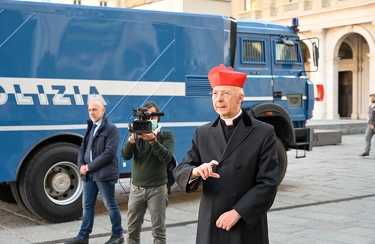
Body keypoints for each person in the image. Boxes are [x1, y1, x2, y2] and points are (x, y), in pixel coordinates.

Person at [173, 64, 279, 244]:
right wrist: (196, 172)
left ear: (240, 98)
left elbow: (268, 182)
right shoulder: (203, 132)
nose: (219, 99)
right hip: (212, 220)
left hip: (245, 221)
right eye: (215, 93)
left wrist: (238, 212)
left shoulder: (263, 132)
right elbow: (181, 169)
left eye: (225, 93)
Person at [65, 99, 124, 244]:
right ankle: (83, 237)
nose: (92, 112)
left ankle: (118, 235)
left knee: (110, 205)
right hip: (89, 174)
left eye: (95, 109)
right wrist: (81, 165)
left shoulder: (111, 129)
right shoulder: (90, 127)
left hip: (103, 174)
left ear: (103, 111)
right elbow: (82, 149)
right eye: (90, 110)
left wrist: (89, 167)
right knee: (87, 205)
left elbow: (109, 153)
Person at [121, 101, 175, 244]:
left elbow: (167, 157)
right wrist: (132, 139)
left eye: (153, 117)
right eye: (147, 117)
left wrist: (153, 141)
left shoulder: (167, 135)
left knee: (158, 232)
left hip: (157, 190)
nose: (150, 120)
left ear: (158, 118)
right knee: (132, 230)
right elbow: (125, 156)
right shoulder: (137, 136)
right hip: (136, 190)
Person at [360, 92, 375, 157]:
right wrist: (369, 122)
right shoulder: (370, 106)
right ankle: (366, 152)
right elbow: (369, 114)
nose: (372, 98)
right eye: (371, 97)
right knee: (367, 137)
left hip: (373, 125)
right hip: (370, 125)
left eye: (373, 97)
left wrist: (374, 124)